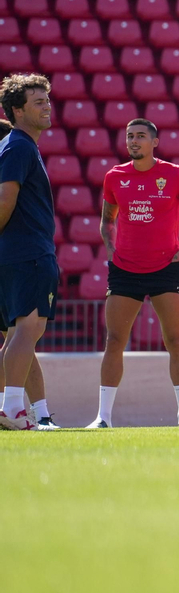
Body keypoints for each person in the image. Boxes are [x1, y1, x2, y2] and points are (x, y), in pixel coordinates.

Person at [89, 118, 179, 428]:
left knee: (174, 340)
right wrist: (109, 248)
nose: (134, 140)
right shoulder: (114, 176)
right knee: (114, 340)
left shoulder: (175, 175)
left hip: (165, 270)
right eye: (130, 135)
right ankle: (103, 418)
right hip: (124, 270)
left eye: (141, 136)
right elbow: (107, 219)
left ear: (154, 142)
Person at [0, 74, 56, 430]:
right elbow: (6, 198)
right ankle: (13, 409)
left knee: (15, 333)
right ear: (18, 111)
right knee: (28, 328)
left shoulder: (16, 144)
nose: (47, 106)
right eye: (38, 102)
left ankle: (13, 408)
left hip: (15, 252)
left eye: (47, 100)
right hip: (28, 252)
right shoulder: (19, 146)